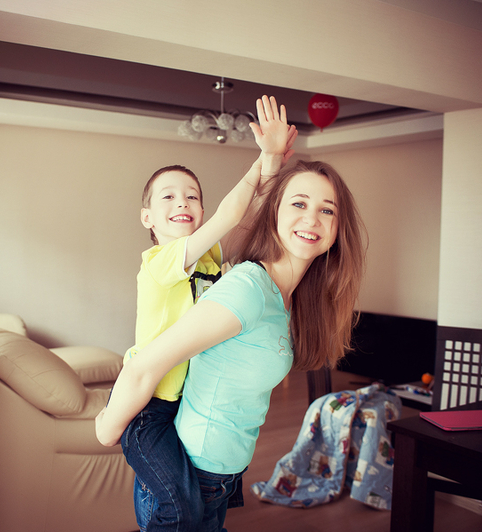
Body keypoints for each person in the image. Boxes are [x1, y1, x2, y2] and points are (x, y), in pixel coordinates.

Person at [97, 159, 366, 532]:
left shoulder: (271, 291)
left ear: (338, 227)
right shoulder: (241, 286)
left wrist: (271, 165)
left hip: (221, 475)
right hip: (189, 462)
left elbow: (242, 222)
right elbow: (143, 367)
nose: (312, 218)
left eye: (327, 210)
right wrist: (107, 429)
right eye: (299, 203)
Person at [120, 96, 297, 532]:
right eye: (169, 196)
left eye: (192, 196)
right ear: (147, 217)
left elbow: (252, 219)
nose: (182, 202)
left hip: (184, 401)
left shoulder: (209, 258)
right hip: (149, 407)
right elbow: (232, 214)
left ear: (199, 210)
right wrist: (263, 156)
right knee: (182, 512)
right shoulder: (158, 262)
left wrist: (273, 166)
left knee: (205, 513)